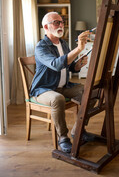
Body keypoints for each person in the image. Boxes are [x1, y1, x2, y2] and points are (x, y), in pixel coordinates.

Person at [30, 12, 96, 153]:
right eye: (56, 22)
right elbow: (56, 65)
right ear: (46, 27)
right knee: (57, 99)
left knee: (91, 92)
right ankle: (63, 138)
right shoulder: (41, 47)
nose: (61, 25)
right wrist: (79, 48)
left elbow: (70, 67)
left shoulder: (63, 44)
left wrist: (78, 65)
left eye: (62, 22)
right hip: (43, 89)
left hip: (63, 86)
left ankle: (78, 130)